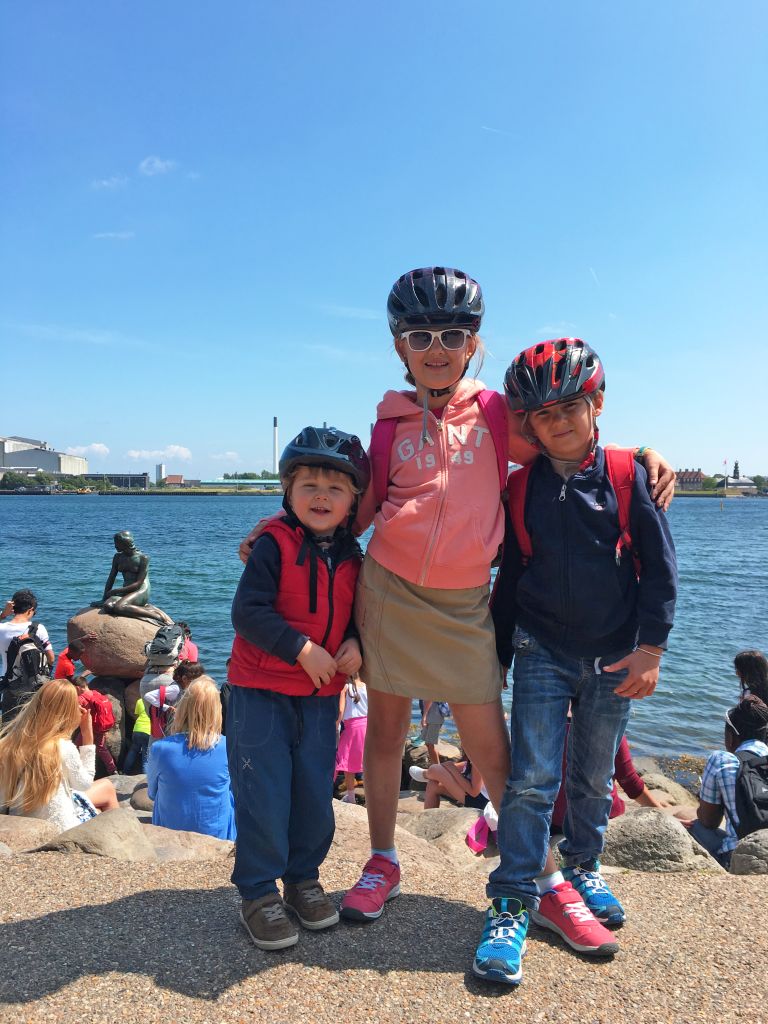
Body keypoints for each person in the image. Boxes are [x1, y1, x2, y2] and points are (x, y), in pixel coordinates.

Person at [238, 267, 675, 943]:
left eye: (453, 333)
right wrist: (283, 529)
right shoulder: (386, 423)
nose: (436, 346)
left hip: (467, 600)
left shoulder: (499, 413)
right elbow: (358, 506)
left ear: (475, 343)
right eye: (420, 334)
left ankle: (545, 880)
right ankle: (383, 859)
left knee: (491, 750)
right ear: (398, 347)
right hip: (388, 592)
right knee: (384, 736)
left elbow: (570, 441)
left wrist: (641, 452)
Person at [474, 337, 678, 985]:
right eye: (542, 413)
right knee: (532, 779)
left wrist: (651, 650)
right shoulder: (518, 489)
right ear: (527, 424)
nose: (558, 420)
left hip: (615, 655)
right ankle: (513, 897)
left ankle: (585, 867)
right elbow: (509, 579)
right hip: (541, 649)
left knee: (593, 775)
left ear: (597, 404)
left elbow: (661, 571)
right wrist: (498, 655)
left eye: (570, 406)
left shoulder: (625, 476)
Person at [228, 426, 368, 951]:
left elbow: (357, 616)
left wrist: (355, 643)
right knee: (263, 790)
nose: (320, 496)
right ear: (287, 492)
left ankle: (304, 879)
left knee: (313, 791)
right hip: (261, 690)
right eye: (307, 484)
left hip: (320, 698)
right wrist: (301, 649)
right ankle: (259, 892)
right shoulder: (273, 544)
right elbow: (248, 612)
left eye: (335, 487)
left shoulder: (355, 557)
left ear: (354, 500)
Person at [0, 678, 118, 831]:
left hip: (19, 822)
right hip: (60, 827)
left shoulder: (6, 743)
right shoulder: (62, 747)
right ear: (67, 712)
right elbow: (83, 784)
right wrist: (87, 737)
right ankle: (120, 844)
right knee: (107, 787)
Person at [146, 677, 235, 840]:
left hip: (170, 833)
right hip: (217, 834)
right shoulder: (229, 747)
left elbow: (152, 793)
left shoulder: (160, 748)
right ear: (217, 710)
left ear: (183, 709)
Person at [684, 695, 768, 868]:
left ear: (730, 737)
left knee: (696, 827)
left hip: (739, 858)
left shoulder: (723, 760)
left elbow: (709, 821)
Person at [0, 590, 54, 677]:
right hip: (33, 684)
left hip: (8, 684)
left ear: (12, 608)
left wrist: (3, 614)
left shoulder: (1, 629)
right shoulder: (38, 628)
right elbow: (51, 658)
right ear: (30, 610)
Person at [71, 675, 117, 776]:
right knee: (101, 748)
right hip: (101, 726)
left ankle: (74, 770)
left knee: (77, 747)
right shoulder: (95, 693)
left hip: (90, 728)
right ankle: (112, 770)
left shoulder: (81, 698)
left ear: (78, 688)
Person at [410, 754, 488, 811]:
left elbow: (474, 792)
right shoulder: (484, 748)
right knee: (433, 784)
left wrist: (452, 770)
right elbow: (467, 767)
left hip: (482, 802)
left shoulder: (479, 755)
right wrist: (452, 768)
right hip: (481, 796)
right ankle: (428, 823)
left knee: (436, 770)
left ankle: (426, 774)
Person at [336, 677, 368, 803]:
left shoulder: (345, 687)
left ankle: (351, 797)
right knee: (368, 762)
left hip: (352, 728)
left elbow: (340, 710)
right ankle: (372, 796)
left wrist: (337, 724)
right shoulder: (367, 685)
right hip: (368, 725)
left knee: (347, 762)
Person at [123, 695, 151, 774]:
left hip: (137, 729)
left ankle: (125, 771)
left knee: (133, 750)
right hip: (148, 730)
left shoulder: (140, 700)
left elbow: (137, 713)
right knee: (145, 755)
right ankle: (144, 777)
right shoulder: (156, 702)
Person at [419, 701, 447, 765]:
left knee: (430, 744)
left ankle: (437, 766)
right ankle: (435, 765)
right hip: (433, 717)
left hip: (434, 717)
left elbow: (429, 698)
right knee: (428, 743)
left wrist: (424, 716)